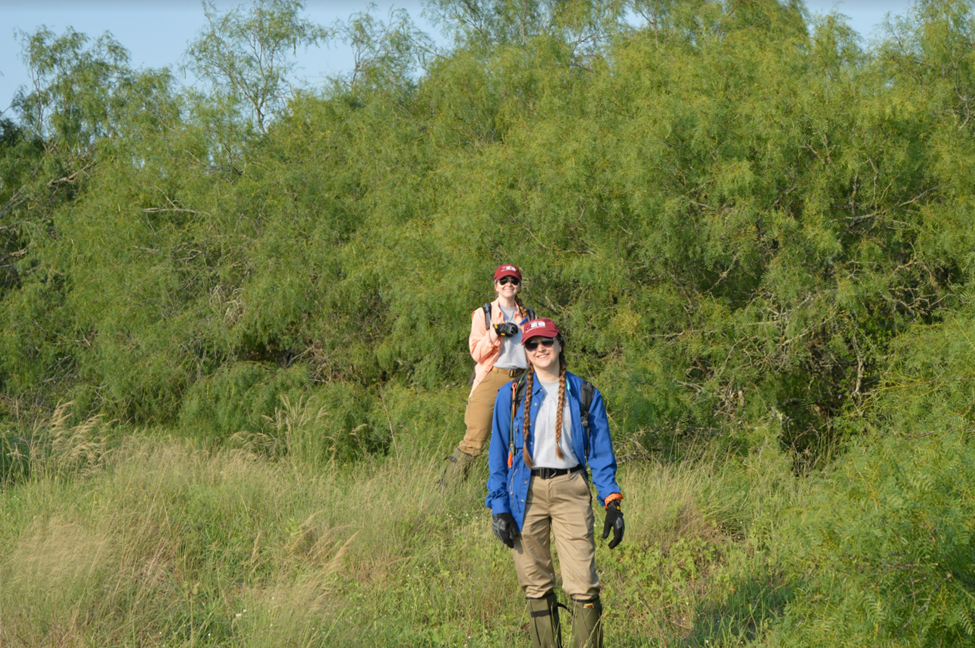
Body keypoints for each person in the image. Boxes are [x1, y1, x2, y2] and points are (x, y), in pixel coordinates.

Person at [486, 318, 624, 648]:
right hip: (524, 494)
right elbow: (498, 455)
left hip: (571, 490)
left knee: (584, 585)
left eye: (547, 341)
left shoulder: (586, 393)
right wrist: (500, 507)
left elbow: (601, 456)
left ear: (560, 344)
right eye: (532, 344)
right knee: (535, 585)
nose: (540, 349)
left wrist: (612, 503)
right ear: (526, 352)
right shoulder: (511, 395)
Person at [440, 264, 535, 487]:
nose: (508, 284)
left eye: (513, 280)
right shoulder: (484, 314)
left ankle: (518, 492)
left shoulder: (529, 315)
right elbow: (476, 352)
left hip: (522, 379)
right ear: (496, 285)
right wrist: (496, 331)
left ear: (519, 285)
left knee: (522, 439)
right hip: (492, 377)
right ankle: (448, 490)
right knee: (475, 438)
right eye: (504, 280)